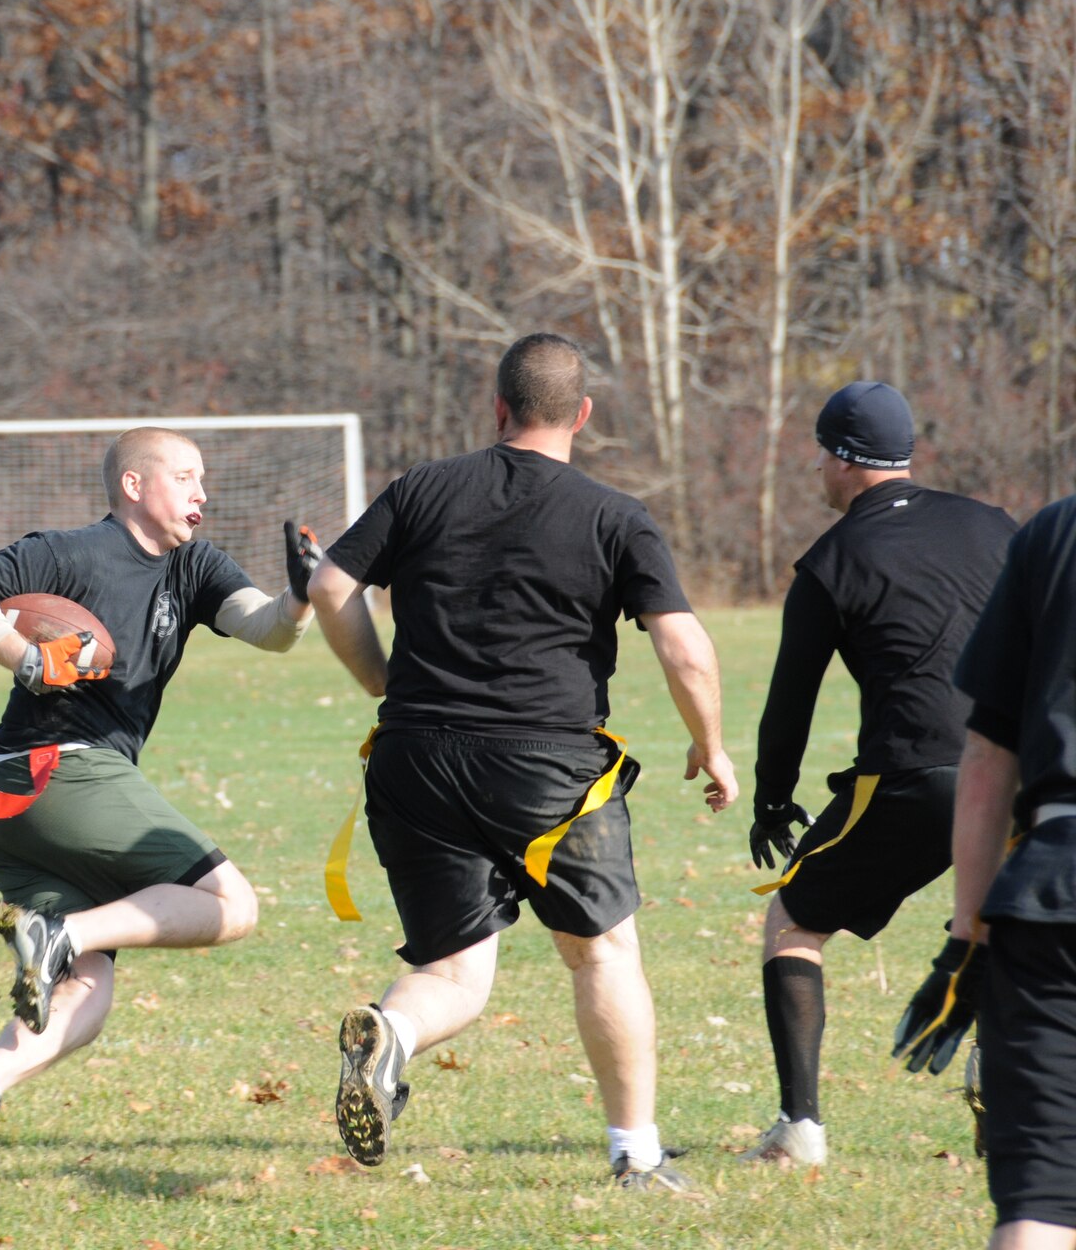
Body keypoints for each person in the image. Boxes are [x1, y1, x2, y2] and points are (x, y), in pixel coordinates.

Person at [307, 332, 737, 1192]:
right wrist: (713, 745)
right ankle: (637, 1156)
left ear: (497, 408)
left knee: (453, 970)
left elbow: (327, 586)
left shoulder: (422, 488)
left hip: (415, 758)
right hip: (549, 771)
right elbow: (684, 649)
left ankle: (391, 1036)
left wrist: (384, 683)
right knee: (603, 954)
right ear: (582, 415)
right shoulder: (614, 513)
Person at [0, 426, 321, 1150]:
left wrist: (299, 596)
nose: (202, 493)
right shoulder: (72, 552)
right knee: (233, 906)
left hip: (12, 802)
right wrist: (24, 657)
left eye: (204, 479)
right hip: (60, 773)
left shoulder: (195, 568)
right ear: (134, 486)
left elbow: (267, 630)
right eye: (185, 476)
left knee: (86, 988)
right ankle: (59, 933)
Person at [739, 380, 1015, 1168]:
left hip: (916, 777)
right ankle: (1011, 1076)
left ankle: (800, 1130)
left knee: (794, 919)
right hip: (1024, 768)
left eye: (819, 456)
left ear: (838, 459)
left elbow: (790, 700)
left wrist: (771, 798)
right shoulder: (993, 524)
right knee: (1016, 929)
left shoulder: (830, 561)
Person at [895, 493, 1076, 1250]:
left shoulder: (1055, 533)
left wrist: (965, 938)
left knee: (1042, 1198)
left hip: (1056, 890)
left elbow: (988, 757)